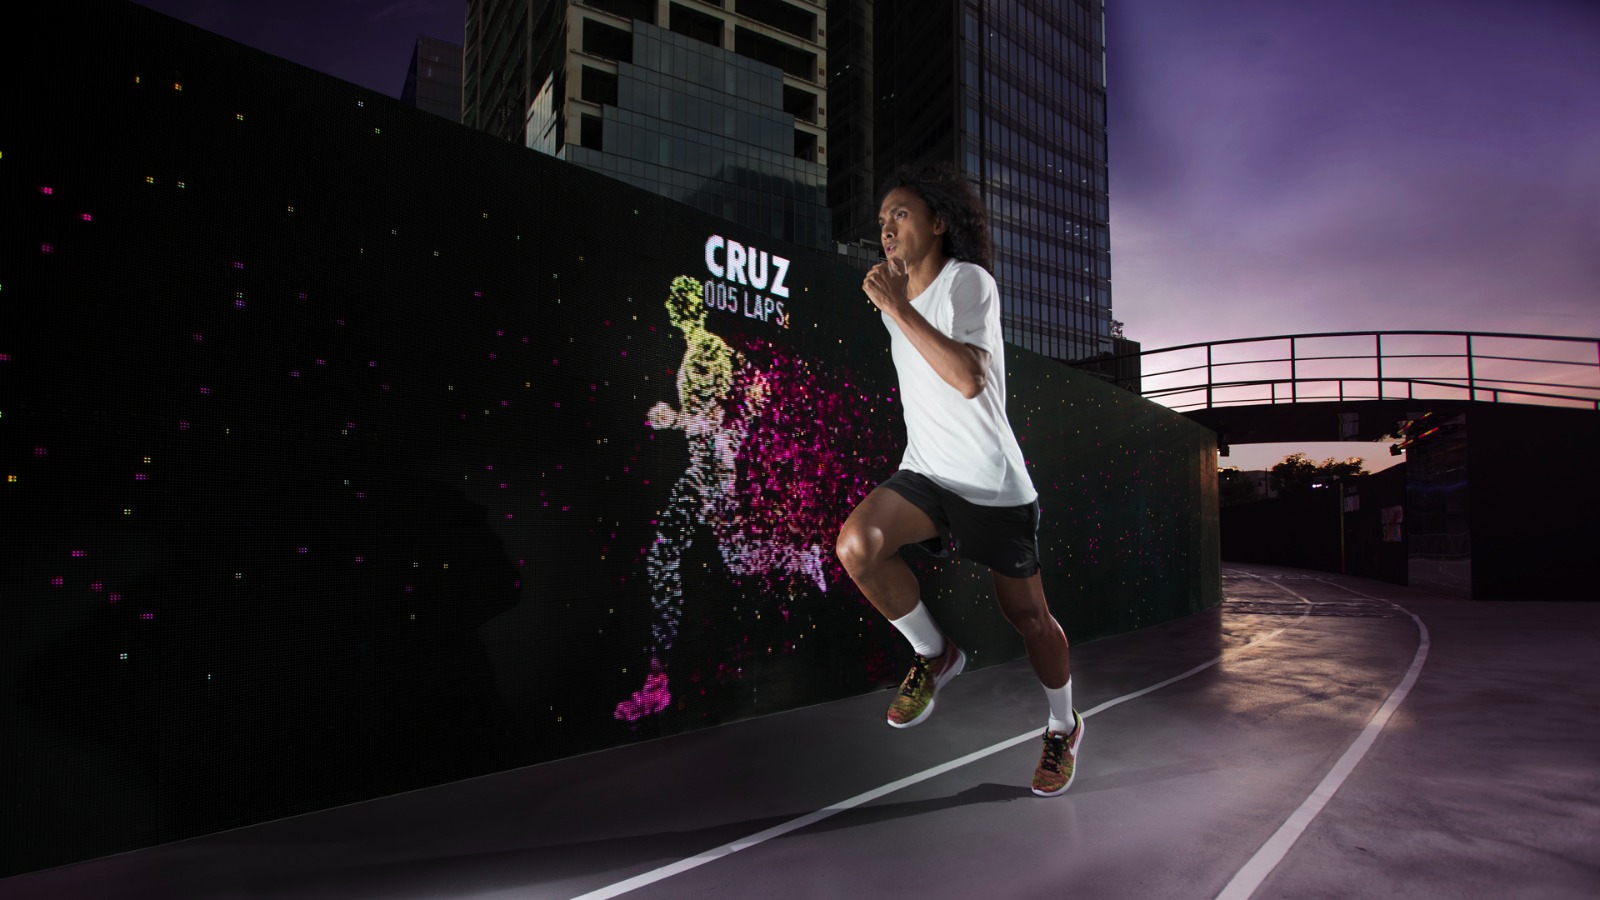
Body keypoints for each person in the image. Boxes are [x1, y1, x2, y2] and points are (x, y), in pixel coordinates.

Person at [834, 163, 1082, 796]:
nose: (887, 227)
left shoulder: (968, 282)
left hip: (992, 486)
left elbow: (969, 379)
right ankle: (934, 653)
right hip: (926, 472)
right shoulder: (894, 304)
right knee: (857, 546)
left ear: (939, 223)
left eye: (901, 214)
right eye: (882, 218)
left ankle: (1062, 725)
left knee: (1029, 618)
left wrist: (897, 307)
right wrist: (896, 305)